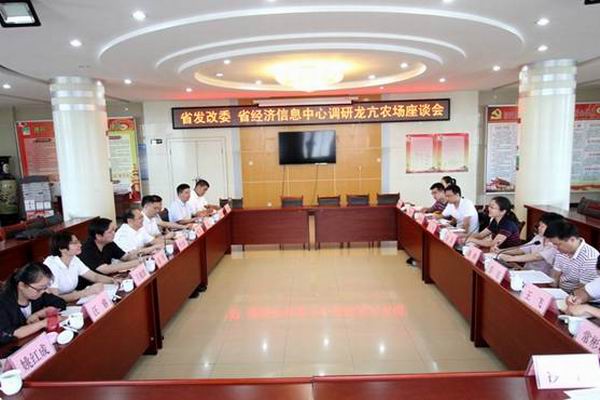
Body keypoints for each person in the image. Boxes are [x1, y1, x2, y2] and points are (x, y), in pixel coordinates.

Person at [0, 262, 66, 344]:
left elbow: (60, 302)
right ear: (22, 285)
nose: (43, 291)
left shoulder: (38, 294)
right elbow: (6, 334)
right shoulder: (3, 303)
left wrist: (38, 314)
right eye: (39, 289)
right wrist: (43, 323)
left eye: (45, 287)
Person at [44, 231, 118, 302]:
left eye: (78, 241)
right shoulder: (51, 265)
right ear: (62, 249)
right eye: (75, 243)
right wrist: (86, 292)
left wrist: (113, 280)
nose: (80, 245)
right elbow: (55, 298)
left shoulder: (74, 259)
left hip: (73, 299)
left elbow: (94, 276)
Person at [497, 212, 564, 275]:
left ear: (552, 228)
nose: (539, 228)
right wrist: (500, 251)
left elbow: (536, 256)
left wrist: (510, 258)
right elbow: (521, 249)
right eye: (539, 225)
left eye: (542, 226)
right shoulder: (538, 237)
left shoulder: (556, 245)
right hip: (526, 272)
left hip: (540, 278)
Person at [544, 220, 599, 293]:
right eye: (554, 244)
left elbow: (582, 291)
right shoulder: (562, 250)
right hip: (560, 292)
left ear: (572, 239)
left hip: (577, 296)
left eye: (558, 244)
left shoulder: (590, 258)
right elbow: (555, 276)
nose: (556, 248)